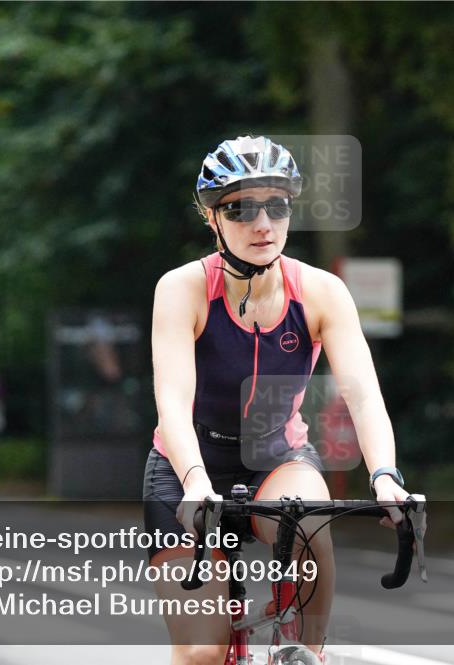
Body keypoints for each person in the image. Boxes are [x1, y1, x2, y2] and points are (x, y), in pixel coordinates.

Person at [145, 135, 413, 665]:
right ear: (212, 218)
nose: (262, 223)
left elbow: (363, 393)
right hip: (186, 468)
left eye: (277, 205)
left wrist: (385, 474)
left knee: (309, 521)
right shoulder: (182, 288)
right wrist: (196, 482)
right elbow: (172, 401)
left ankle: (306, 653)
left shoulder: (320, 291)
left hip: (277, 458)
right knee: (200, 652)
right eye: (242, 207)